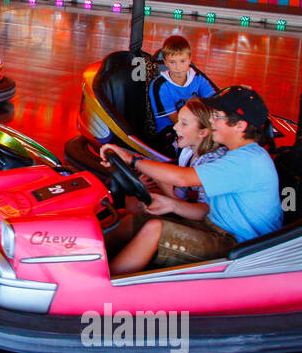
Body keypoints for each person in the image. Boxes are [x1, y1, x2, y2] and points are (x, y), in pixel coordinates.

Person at [99, 86, 283, 275]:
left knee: (154, 229)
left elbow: (182, 179)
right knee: (132, 221)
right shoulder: (232, 156)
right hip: (214, 229)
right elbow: (208, 211)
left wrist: (132, 160)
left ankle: (99, 291)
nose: (211, 121)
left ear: (240, 126)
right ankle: (81, 259)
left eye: (217, 116)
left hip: (241, 248)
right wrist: (173, 205)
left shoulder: (248, 161)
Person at [147, 34, 216, 133]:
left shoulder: (197, 77)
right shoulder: (160, 85)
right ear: (165, 62)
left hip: (197, 127)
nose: (178, 67)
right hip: (170, 131)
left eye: (183, 61)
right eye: (172, 62)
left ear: (190, 59)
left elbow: (214, 102)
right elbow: (175, 120)